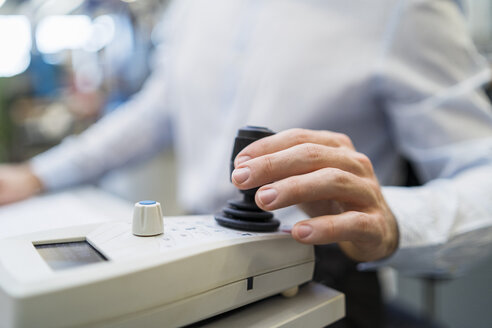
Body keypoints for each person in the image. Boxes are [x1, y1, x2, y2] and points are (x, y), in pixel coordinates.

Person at [1, 0, 492, 326]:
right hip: (187, 266)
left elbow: (483, 168)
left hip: (323, 280)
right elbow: (158, 109)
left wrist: (390, 222)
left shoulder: (401, 9)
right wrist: (37, 174)